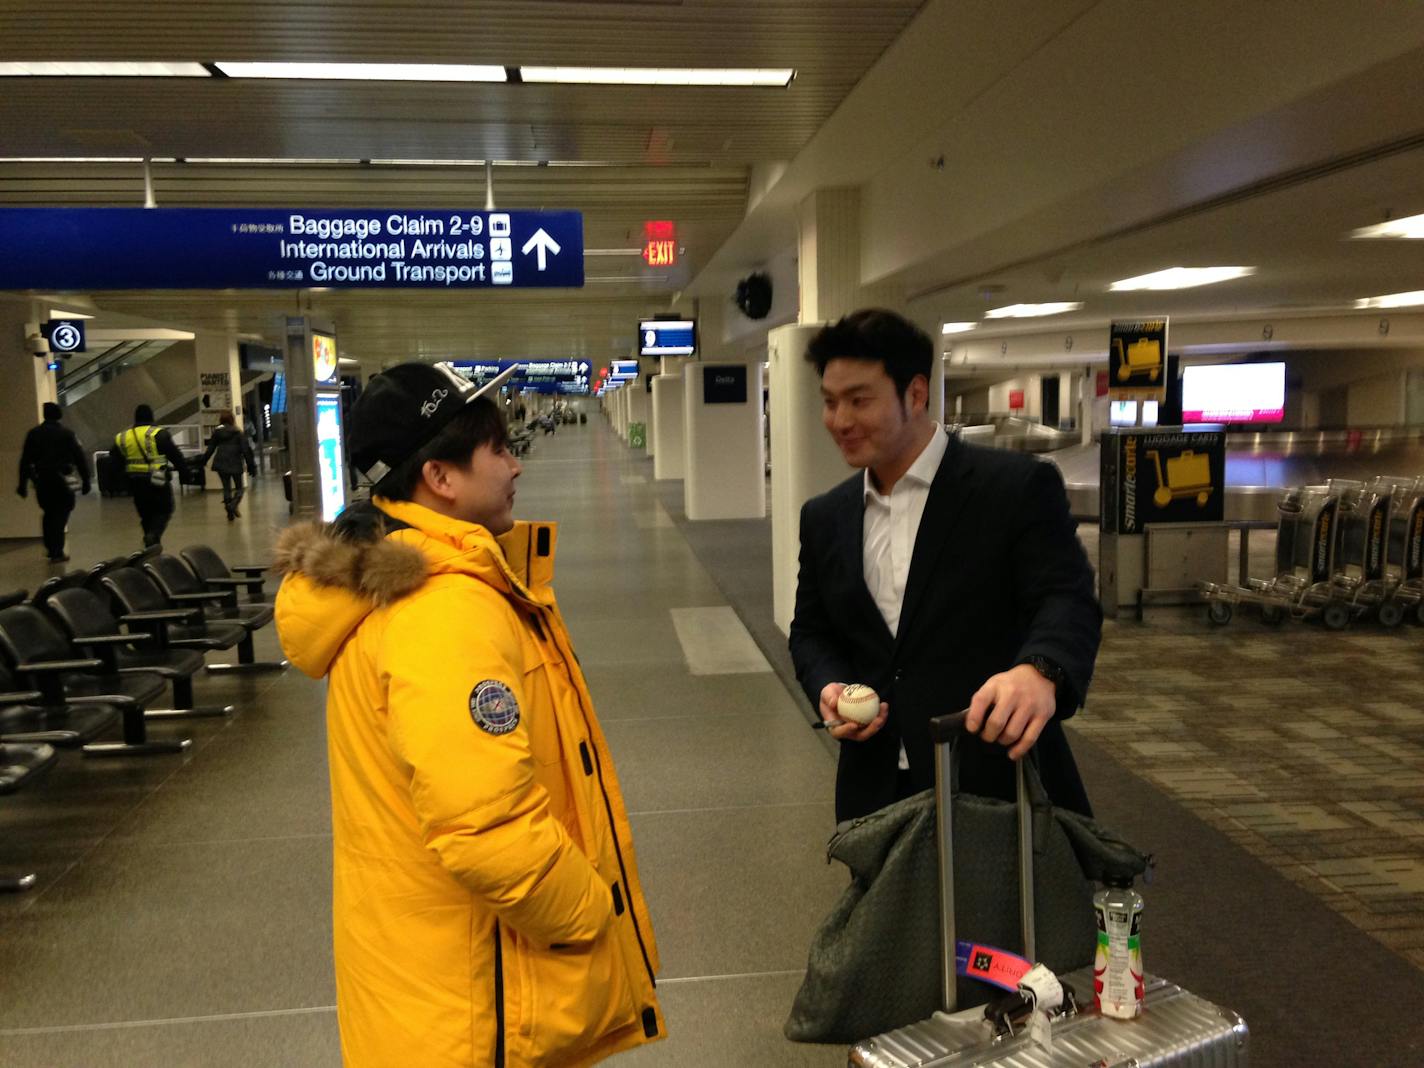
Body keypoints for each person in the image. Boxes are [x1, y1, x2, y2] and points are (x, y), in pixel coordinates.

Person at [273, 362, 664, 1068]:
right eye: (497, 450)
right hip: (472, 1007)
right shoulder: (443, 610)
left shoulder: (412, 591)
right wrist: (589, 910)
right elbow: (484, 827)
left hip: (421, 986)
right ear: (441, 478)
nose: (515, 464)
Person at [788, 309, 1102, 823]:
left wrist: (1039, 671)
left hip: (997, 778)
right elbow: (811, 631)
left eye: (859, 400)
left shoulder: (1014, 488)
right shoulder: (825, 517)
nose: (839, 421)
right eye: (829, 402)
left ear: (915, 393)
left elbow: (1066, 599)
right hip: (875, 789)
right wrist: (829, 686)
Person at [16, 401, 90, 563]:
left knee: (49, 513)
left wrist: (22, 484)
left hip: (42, 480)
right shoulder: (67, 434)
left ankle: (51, 548)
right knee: (62, 511)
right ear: (58, 415)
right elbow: (79, 458)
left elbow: (25, 461)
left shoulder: (33, 434)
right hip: (62, 479)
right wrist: (86, 480)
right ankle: (56, 550)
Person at [111, 404, 188, 548]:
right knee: (165, 509)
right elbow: (175, 455)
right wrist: (185, 474)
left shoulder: (123, 437)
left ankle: (151, 544)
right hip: (157, 481)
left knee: (145, 513)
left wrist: (120, 480)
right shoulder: (158, 434)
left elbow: (114, 460)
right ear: (151, 416)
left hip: (134, 482)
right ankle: (153, 535)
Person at [200, 412, 257, 521]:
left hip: (220, 462)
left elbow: (210, 449)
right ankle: (233, 505)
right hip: (235, 462)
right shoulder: (238, 433)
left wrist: (204, 460)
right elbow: (246, 450)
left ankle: (229, 512)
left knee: (226, 488)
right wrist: (251, 466)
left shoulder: (217, 432)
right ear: (232, 420)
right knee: (239, 488)